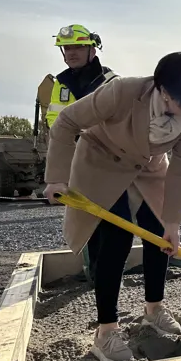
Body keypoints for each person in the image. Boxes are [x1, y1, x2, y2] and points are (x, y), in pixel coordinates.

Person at [43, 52, 181, 361]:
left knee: (159, 235)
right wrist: (57, 178)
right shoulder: (123, 92)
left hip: (147, 168)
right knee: (116, 237)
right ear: (164, 91)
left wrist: (173, 223)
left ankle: (154, 310)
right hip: (101, 162)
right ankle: (106, 332)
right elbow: (67, 122)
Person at [46, 24, 117, 284]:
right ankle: (94, 272)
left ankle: (106, 273)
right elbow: (55, 121)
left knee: (111, 220)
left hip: (107, 162)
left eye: (77, 46)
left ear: (92, 48)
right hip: (77, 162)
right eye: (67, 48)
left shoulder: (110, 81)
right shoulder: (61, 83)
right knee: (83, 220)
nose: (71, 52)